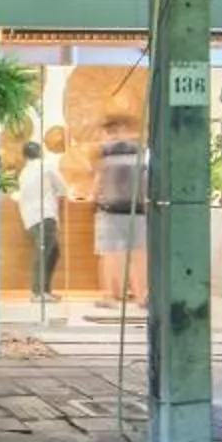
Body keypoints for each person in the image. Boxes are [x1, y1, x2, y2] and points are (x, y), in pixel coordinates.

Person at [93, 114, 147, 307]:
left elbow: (98, 182)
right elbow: (146, 180)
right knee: (137, 254)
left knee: (111, 254)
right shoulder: (139, 151)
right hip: (137, 209)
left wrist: (95, 198)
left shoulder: (105, 152)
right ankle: (141, 296)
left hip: (110, 210)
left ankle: (110, 296)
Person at [14, 138, 64, 304]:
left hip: (31, 217)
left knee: (52, 251)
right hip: (46, 214)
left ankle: (44, 290)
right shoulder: (46, 166)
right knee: (44, 252)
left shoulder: (23, 173)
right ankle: (38, 292)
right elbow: (63, 187)